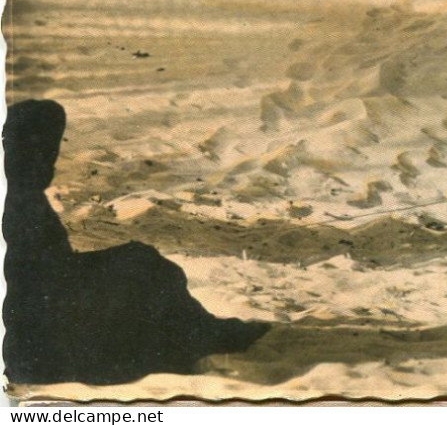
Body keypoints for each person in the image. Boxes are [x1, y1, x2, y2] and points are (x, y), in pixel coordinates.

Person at [2, 100, 266, 384]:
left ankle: (201, 333)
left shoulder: (21, 193)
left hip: (37, 324)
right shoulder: (18, 202)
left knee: (138, 261)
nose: (47, 164)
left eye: (49, 154)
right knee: (141, 265)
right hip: (38, 342)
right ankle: (205, 335)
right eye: (40, 155)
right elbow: (42, 282)